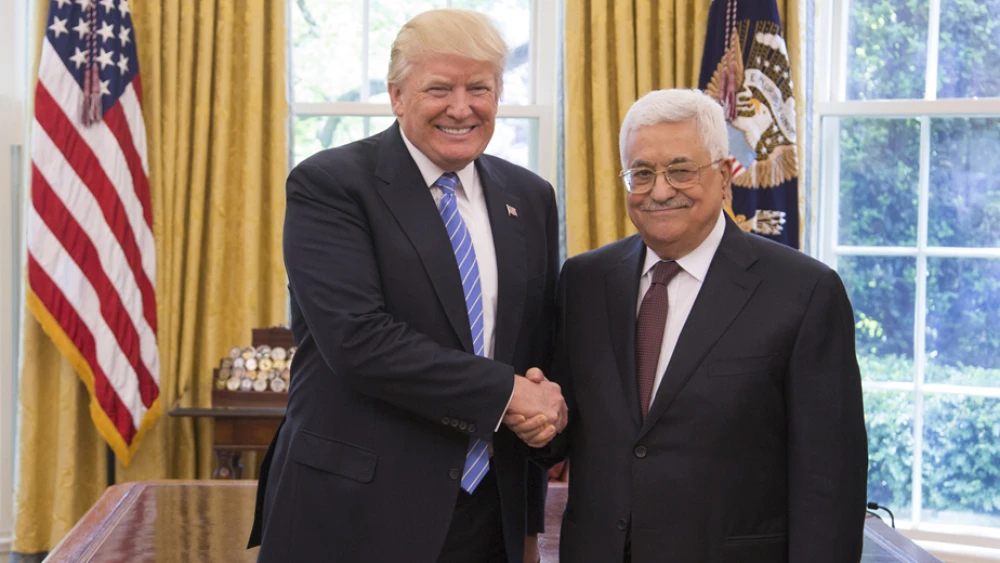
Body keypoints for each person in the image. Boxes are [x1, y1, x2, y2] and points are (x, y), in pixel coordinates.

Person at [248, 9, 566, 563]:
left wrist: (543, 444)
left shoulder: (529, 197)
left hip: (488, 516)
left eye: (480, 88)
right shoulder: (331, 185)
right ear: (397, 95)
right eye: (439, 88)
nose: (461, 107)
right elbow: (359, 342)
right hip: (356, 511)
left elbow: (533, 351)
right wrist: (508, 393)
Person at [511, 89, 868, 562]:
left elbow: (830, 481)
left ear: (723, 176)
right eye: (642, 173)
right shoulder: (584, 280)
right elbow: (568, 425)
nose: (660, 191)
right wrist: (541, 419)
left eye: (681, 170)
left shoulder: (804, 292)